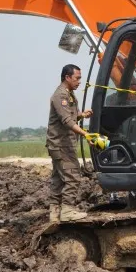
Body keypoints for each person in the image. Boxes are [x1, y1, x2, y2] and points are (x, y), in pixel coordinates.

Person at [45, 64, 93, 223]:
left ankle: (54, 212)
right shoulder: (60, 96)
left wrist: (81, 115)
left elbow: (69, 116)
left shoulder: (69, 94)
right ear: (67, 77)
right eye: (77, 78)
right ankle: (67, 210)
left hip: (61, 144)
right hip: (61, 145)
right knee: (73, 176)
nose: (79, 81)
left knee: (59, 178)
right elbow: (66, 121)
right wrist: (86, 134)